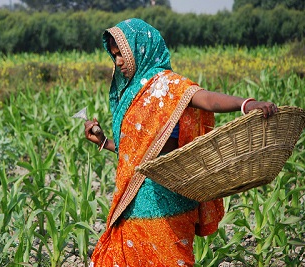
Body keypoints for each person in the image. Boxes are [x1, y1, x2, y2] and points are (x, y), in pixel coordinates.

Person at [83, 18, 278, 267]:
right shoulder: (130, 94)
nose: (118, 61)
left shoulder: (166, 84)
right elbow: (136, 151)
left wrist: (246, 105)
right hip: (136, 203)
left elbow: (204, 98)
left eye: (122, 54)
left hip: (170, 200)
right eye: (114, 55)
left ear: (141, 48)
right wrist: (104, 142)